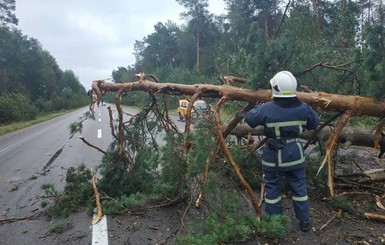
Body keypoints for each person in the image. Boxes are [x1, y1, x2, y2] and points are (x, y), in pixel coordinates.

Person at [245, 71, 320, 232]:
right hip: (295, 153)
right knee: (299, 187)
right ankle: (305, 221)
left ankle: (275, 223)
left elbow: (250, 119)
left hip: (273, 156)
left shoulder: (266, 109)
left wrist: (259, 106)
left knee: (272, 187)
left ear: (275, 88)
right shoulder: (304, 108)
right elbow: (314, 122)